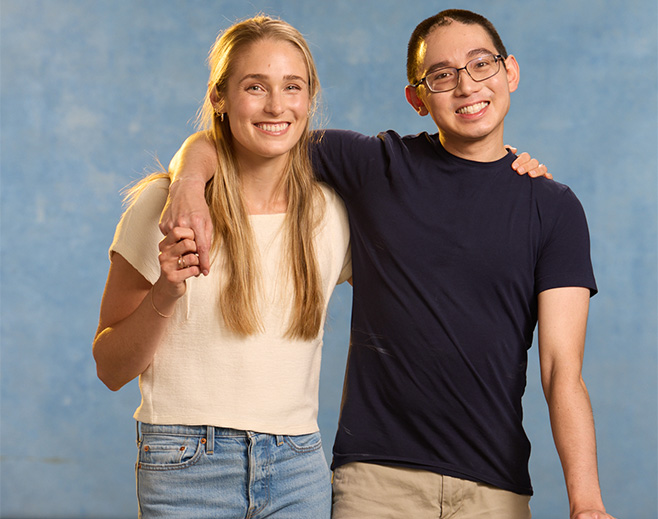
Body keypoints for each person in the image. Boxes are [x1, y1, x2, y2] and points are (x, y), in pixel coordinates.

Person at [161, 9, 615, 519]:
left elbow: (561, 371)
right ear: (417, 99)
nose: (466, 86)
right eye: (441, 75)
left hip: (495, 487)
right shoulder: (375, 167)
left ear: (509, 71)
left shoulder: (553, 208)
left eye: (481, 65)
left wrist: (587, 502)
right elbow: (241, 135)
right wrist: (186, 186)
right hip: (375, 481)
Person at [93, 16, 352, 519]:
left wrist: (505, 166)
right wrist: (166, 293)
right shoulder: (163, 208)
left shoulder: (331, 213)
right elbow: (110, 368)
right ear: (219, 97)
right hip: (186, 463)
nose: (277, 106)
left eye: (292, 87)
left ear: (309, 97)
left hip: (300, 467)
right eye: (255, 87)